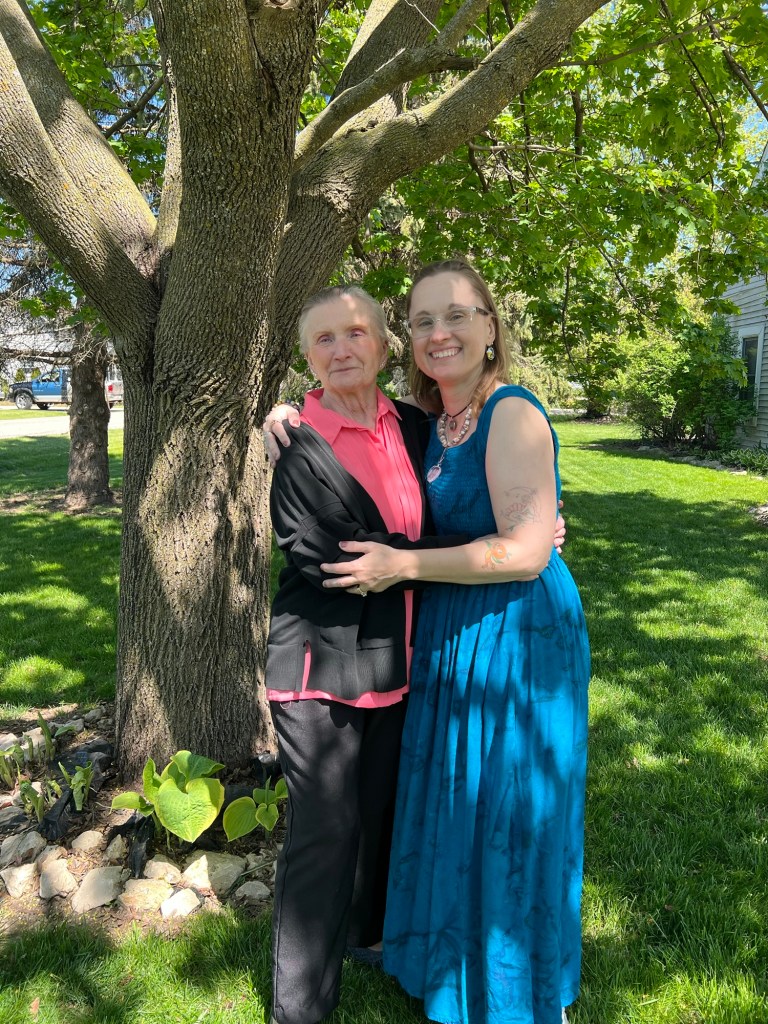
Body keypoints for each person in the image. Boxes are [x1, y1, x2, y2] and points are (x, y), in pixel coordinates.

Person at [262, 276, 572, 1024]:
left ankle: (444, 959)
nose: (342, 349)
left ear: (383, 346)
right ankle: (302, 1009)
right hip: (335, 657)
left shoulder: (423, 421)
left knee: (443, 809)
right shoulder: (308, 439)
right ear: (306, 357)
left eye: (357, 333)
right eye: (323, 339)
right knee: (343, 826)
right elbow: (333, 557)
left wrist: (528, 537)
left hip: (450, 647)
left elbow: (495, 517)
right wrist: (505, 541)